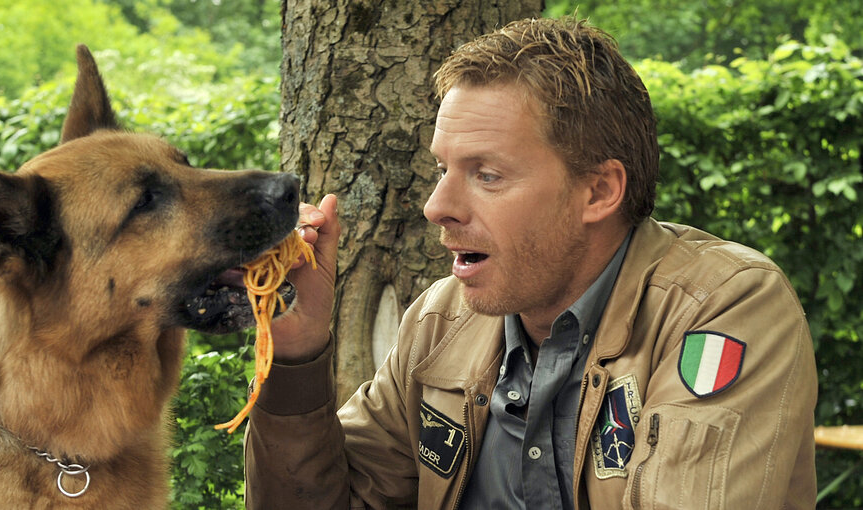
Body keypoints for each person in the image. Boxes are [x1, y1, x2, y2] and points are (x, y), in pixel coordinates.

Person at [245, 16, 817, 510]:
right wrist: (295, 355)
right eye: (443, 168)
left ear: (598, 191)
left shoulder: (726, 307)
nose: (436, 206)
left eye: (487, 175)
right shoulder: (440, 322)